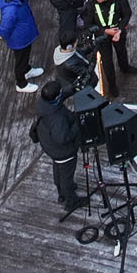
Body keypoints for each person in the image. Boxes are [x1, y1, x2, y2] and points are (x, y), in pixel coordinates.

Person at [30, 81, 88, 213]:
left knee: (58, 168)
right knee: (66, 176)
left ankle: (61, 193)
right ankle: (71, 201)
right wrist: (77, 124)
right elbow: (62, 138)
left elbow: (60, 96)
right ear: (56, 98)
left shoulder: (43, 104)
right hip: (63, 152)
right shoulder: (57, 119)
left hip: (50, 147)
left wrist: (73, 88)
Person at [0, 0, 41, 90]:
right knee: (20, 61)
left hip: (25, 35)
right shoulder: (10, 10)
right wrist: (8, 37)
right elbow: (4, 28)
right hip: (19, 39)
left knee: (25, 55)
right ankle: (21, 84)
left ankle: (27, 70)